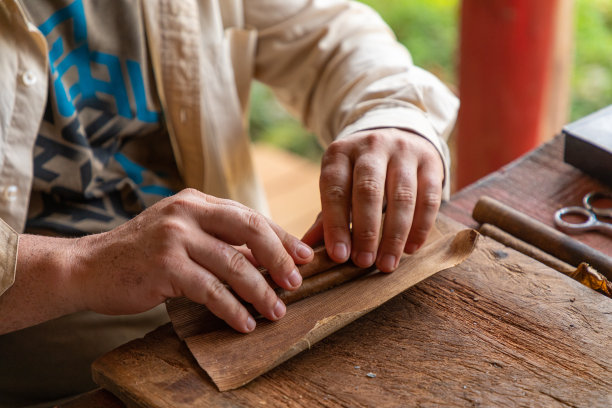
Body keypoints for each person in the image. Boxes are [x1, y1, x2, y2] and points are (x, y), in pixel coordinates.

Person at [0, 0, 458, 405]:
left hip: (234, 298)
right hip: (40, 357)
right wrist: (83, 265)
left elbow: (330, 34)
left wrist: (394, 119)